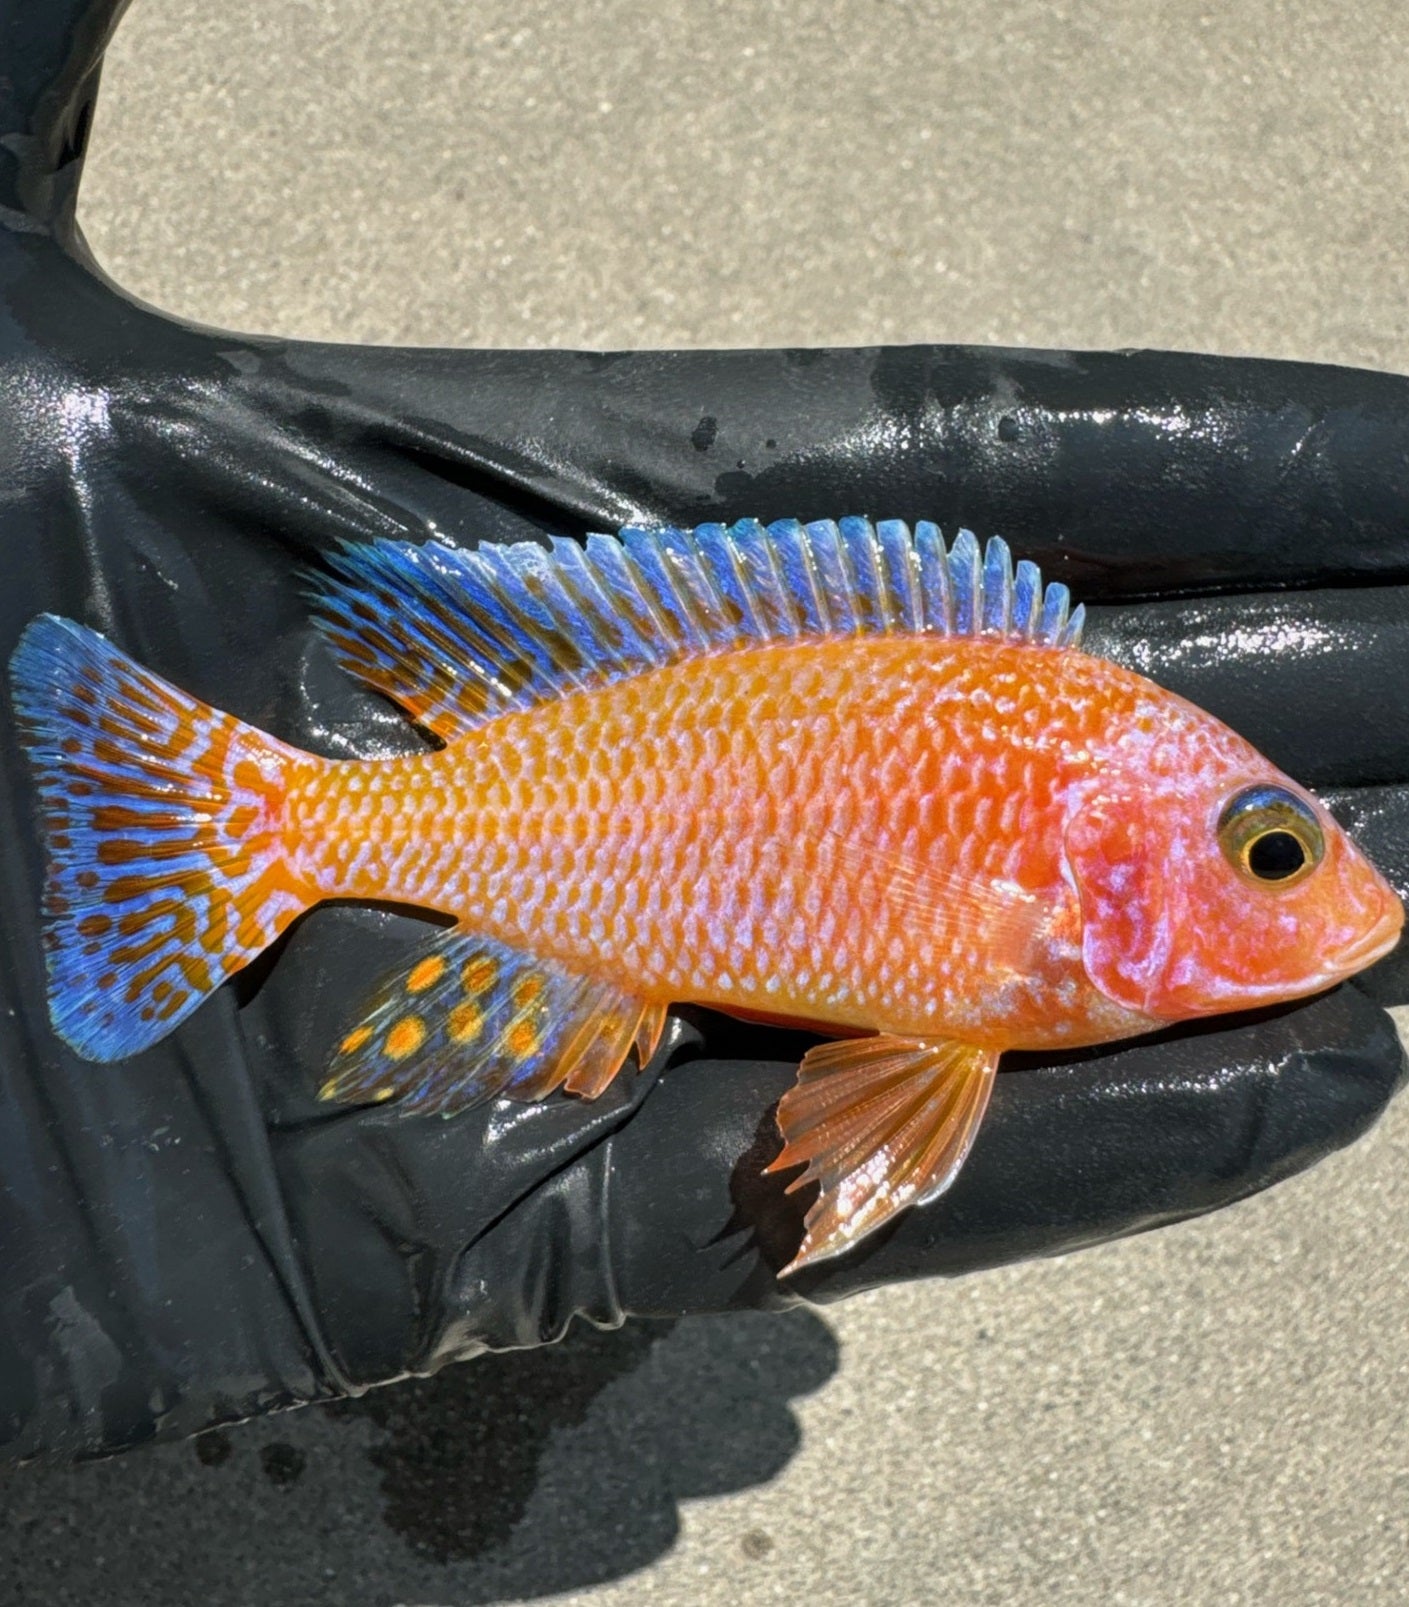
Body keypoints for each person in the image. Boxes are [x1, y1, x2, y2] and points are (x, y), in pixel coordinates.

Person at [0, 0, 1404, 1461]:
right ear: (1108, 849)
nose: (1317, 877)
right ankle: (245, 834)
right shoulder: (1062, 809)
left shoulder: (1073, 748)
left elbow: (908, 1063)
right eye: (1269, 848)